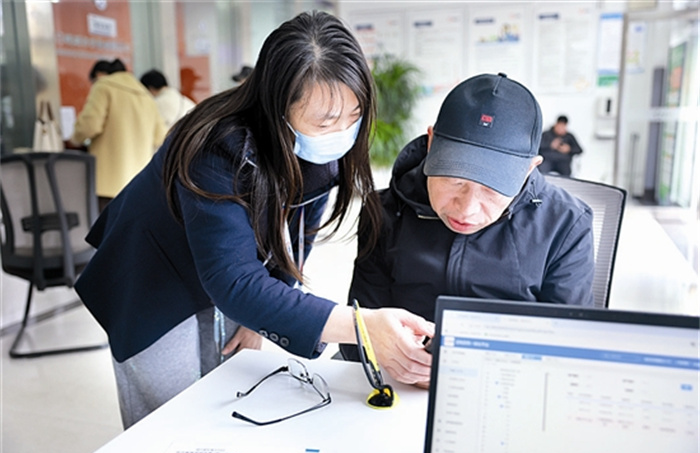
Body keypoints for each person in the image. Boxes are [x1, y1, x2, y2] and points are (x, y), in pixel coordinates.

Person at [74, 11, 433, 429]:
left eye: (354, 116)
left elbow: (296, 235)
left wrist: (260, 316)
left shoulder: (321, 151)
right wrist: (362, 326)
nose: (342, 132)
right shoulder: (214, 146)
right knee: (168, 419)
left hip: (222, 263)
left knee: (220, 397)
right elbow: (233, 281)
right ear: (276, 106)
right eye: (326, 121)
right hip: (150, 273)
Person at [340, 73, 594, 364]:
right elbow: (358, 334)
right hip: (396, 378)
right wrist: (389, 355)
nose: (466, 210)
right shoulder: (384, 210)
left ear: (529, 168)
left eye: (491, 189)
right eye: (454, 181)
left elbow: (568, 349)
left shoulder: (566, 224)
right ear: (431, 143)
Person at [69, 59, 167, 211]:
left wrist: (74, 140)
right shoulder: (145, 94)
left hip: (108, 182)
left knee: (105, 222)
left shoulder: (103, 86)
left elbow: (89, 126)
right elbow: (160, 137)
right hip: (138, 181)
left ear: (99, 75)